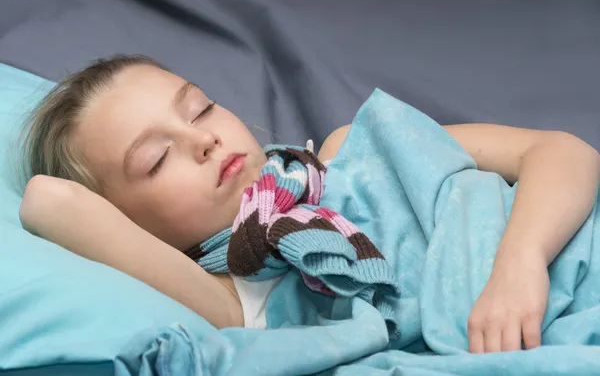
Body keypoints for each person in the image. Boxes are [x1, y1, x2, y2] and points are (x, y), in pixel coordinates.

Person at [18, 54, 599, 354]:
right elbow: (50, 202)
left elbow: (560, 153)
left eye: (199, 108)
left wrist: (517, 266)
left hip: (566, 251)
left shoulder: (356, 147)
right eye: (156, 159)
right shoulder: (230, 300)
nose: (204, 140)